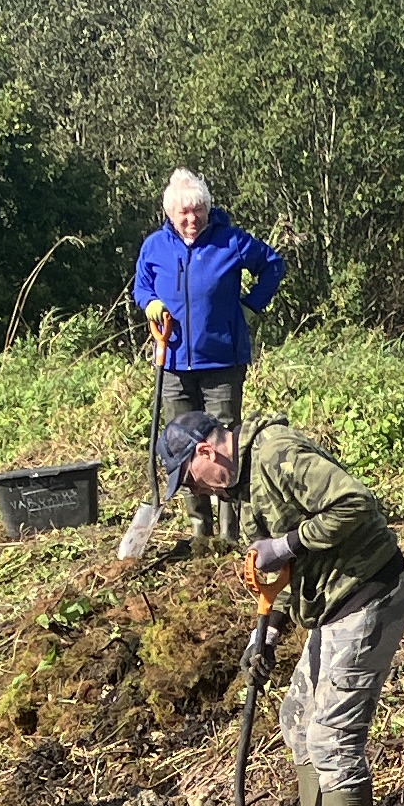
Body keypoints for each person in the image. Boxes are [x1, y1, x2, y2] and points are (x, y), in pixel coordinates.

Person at [168, 411, 404, 806]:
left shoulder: (275, 453)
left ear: (207, 453)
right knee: (297, 721)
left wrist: (289, 542)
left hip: (367, 594)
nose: (199, 492)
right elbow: (280, 572)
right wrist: (269, 631)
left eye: (191, 478)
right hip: (327, 606)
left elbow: (354, 503)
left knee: (331, 736)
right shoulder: (244, 485)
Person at [132, 171, 286, 541]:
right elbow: (142, 285)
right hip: (172, 362)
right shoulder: (155, 247)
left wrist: (251, 307)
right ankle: (200, 528)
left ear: (207, 209)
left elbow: (272, 264)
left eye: (198, 210)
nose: (191, 219)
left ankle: (230, 532)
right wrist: (150, 302)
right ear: (170, 213)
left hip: (222, 362)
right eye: (184, 213)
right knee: (182, 447)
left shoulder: (230, 241)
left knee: (224, 445)